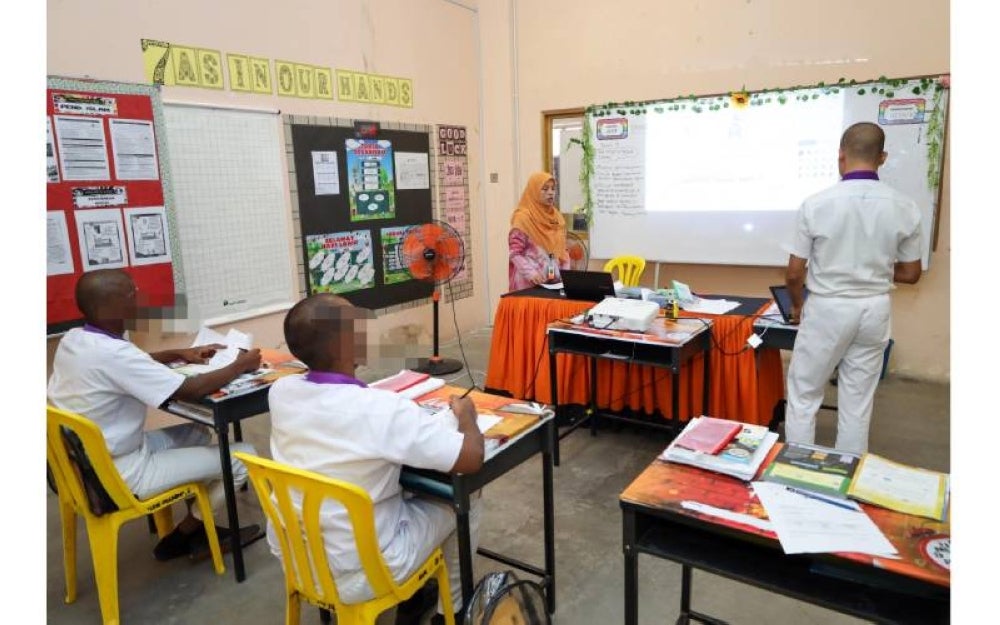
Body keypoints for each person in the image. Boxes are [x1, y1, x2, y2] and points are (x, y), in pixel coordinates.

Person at [267, 294, 485, 625]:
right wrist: (466, 417)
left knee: (404, 486)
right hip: (364, 570)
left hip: (299, 561)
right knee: (466, 497)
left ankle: (415, 598)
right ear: (344, 345)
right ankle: (450, 611)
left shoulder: (280, 393)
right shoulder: (380, 409)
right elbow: (469, 459)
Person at [47, 268, 264, 560]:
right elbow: (189, 390)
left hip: (86, 463)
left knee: (198, 431)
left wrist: (178, 353)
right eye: (132, 295)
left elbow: (129, 364)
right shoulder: (114, 354)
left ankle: (198, 518)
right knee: (243, 457)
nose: (139, 300)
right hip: (118, 474)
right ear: (108, 307)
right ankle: (187, 533)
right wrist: (240, 365)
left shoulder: (76, 339)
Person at [783, 122, 922, 454]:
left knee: (804, 393)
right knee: (858, 400)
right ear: (883, 157)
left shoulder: (816, 204)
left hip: (827, 306)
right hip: (874, 308)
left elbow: (793, 272)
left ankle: (798, 470)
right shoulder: (905, 206)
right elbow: (912, 273)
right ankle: (848, 473)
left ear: (840, 156)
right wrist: (872, 270)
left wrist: (798, 305)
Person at [508, 171, 571, 291]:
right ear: (534, 191)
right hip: (528, 285)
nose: (550, 193)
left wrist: (566, 276)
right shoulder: (523, 217)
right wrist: (531, 274)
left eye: (553, 189)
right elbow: (515, 253)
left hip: (554, 283)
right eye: (545, 189)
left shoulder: (557, 218)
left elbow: (563, 251)